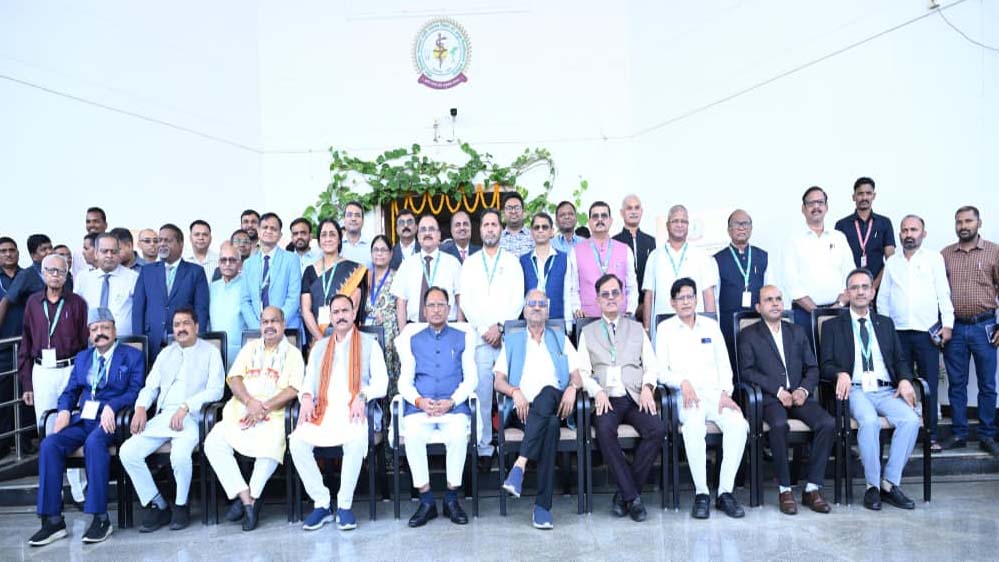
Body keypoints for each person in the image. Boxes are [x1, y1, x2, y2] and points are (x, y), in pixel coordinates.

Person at [28, 308, 144, 546]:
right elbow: (69, 392)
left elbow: (136, 390)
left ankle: (100, 518)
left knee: (94, 443)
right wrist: (63, 411)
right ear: (89, 334)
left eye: (105, 328)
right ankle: (52, 521)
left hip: (112, 421)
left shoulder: (132, 356)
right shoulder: (82, 358)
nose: (100, 333)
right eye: (95, 329)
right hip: (84, 419)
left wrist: (113, 405)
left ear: (114, 330)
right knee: (49, 444)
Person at [821, 268, 920, 510]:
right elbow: (825, 365)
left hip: (886, 390)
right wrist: (840, 373)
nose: (860, 292)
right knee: (869, 421)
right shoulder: (833, 326)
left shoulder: (885, 324)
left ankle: (889, 483)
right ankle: (872, 486)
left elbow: (900, 360)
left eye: (865, 287)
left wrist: (905, 379)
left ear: (872, 292)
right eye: (854, 288)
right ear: (847, 293)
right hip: (855, 390)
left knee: (910, 419)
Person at [120, 307, 225, 532]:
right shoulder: (166, 354)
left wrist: (186, 406)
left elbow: (216, 390)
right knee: (128, 452)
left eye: (186, 323)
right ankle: (157, 504)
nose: (181, 329)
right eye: (177, 325)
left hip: (193, 417)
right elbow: (150, 387)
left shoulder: (210, 352)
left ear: (196, 326)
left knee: (179, 455)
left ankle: (180, 505)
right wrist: (140, 408)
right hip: (164, 417)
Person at [289, 294, 388, 531]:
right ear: (330, 317)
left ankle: (344, 505)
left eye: (345, 311)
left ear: (354, 314)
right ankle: (322, 503)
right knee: (297, 442)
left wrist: (362, 396)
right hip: (323, 411)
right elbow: (308, 382)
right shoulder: (319, 347)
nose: (341, 316)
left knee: (355, 440)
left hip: (354, 411)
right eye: (336, 312)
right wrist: (305, 397)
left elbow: (382, 383)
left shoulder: (369, 344)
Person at [204, 306, 304, 531]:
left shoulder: (293, 354)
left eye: (274, 321)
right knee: (213, 442)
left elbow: (294, 389)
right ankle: (247, 499)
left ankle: (253, 498)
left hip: (274, 415)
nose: (269, 326)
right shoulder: (249, 349)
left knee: (270, 448)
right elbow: (234, 379)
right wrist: (250, 402)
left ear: (283, 324)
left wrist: (264, 407)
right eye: (265, 322)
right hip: (241, 411)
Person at [738, 285, 834, 514]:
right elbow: (747, 372)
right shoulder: (749, 334)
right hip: (770, 399)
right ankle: (785, 489)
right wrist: (778, 390)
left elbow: (813, 368)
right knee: (779, 425)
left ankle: (812, 488)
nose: (775, 303)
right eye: (769, 300)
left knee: (827, 423)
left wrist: (803, 390)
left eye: (778, 299)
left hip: (799, 396)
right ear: (758, 307)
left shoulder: (797, 331)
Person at [658, 277, 748, 519]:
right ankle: (702, 493)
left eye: (690, 296)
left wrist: (726, 393)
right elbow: (660, 371)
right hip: (685, 397)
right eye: (680, 298)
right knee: (694, 425)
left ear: (696, 299)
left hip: (715, 395)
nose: (686, 302)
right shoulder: (665, 329)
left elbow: (724, 364)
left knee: (739, 424)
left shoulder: (710, 326)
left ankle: (725, 492)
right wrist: (682, 381)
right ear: (672, 303)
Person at [494, 289, 583, 530]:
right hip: (523, 410)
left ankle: (519, 466)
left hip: (556, 403)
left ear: (547, 311)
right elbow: (498, 381)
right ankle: (542, 508)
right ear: (524, 310)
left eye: (541, 304)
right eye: (531, 303)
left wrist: (573, 388)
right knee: (551, 426)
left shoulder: (560, 338)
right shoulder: (512, 341)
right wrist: (514, 391)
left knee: (547, 391)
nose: (536, 307)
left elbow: (577, 376)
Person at [578, 273, 663, 522]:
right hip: (606, 397)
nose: (611, 298)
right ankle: (633, 498)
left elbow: (652, 366)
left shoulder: (636, 328)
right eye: (605, 294)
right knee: (604, 431)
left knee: (656, 429)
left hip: (635, 394)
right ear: (597, 300)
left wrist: (648, 387)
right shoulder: (588, 332)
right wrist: (597, 391)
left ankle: (625, 494)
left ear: (623, 296)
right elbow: (582, 371)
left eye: (615, 292)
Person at [398, 287, 477, 527]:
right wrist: (419, 401)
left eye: (441, 305)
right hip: (421, 408)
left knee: (457, 435)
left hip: (452, 407)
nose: (436, 310)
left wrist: (452, 400)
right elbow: (404, 381)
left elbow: (471, 378)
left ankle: (451, 499)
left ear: (449, 309)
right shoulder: (413, 338)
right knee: (412, 435)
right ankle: (426, 501)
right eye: (431, 305)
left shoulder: (463, 336)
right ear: (424, 310)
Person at [17, 252, 90, 504]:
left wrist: (82, 379)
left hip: (70, 369)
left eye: (61, 271)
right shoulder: (32, 303)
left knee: (72, 425)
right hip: (42, 371)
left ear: (67, 274)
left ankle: (79, 491)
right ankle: (53, 492)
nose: (56, 275)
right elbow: (26, 342)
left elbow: (85, 345)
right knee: (47, 428)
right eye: (51, 270)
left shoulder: (77, 303)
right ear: (42, 273)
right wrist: (26, 383)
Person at [877, 214, 953, 452]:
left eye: (914, 229)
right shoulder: (892, 262)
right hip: (897, 334)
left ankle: (930, 435)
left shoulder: (934, 259)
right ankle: (902, 433)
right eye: (905, 230)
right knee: (898, 384)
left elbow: (943, 293)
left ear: (923, 233)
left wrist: (948, 324)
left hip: (926, 333)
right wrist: (884, 331)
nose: (908, 234)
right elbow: (883, 299)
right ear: (900, 234)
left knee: (929, 385)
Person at [458, 208, 524, 470]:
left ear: (500, 229)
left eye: (494, 224)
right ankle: (485, 448)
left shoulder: (512, 262)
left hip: (507, 338)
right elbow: (466, 301)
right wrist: (485, 328)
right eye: (485, 224)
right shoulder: (470, 263)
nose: (490, 229)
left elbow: (518, 299)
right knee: (483, 394)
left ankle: (509, 448)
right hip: (480, 338)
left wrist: (500, 327)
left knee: (510, 393)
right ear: (480, 230)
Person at [940, 205, 999, 455]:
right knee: (957, 384)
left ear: (979, 223)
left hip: (985, 327)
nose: (963, 226)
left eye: (968, 221)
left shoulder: (994, 252)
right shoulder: (945, 254)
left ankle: (987, 435)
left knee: (987, 384)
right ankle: (959, 433)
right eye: (959, 222)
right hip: (955, 328)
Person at [781, 186, 855, 338]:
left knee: (840, 353)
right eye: (811, 203)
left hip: (839, 311)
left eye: (820, 202)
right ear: (803, 209)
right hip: (804, 314)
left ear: (826, 207)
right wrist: (817, 313)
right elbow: (791, 282)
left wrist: (838, 305)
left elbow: (851, 276)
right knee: (808, 353)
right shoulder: (793, 240)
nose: (816, 207)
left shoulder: (839, 237)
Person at [132, 224, 210, 358]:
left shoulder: (196, 272)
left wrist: (197, 341)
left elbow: (201, 310)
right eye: (160, 240)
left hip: (184, 343)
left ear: (181, 244)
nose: (162, 244)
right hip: (152, 343)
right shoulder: (147, 271)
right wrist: (139, 343)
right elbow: (138, 309)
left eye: (167, 240)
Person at [643, 205, 717, 332]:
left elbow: (708, 294)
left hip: (695, 326)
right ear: (667, 225)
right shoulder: (655, 256)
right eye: (675, 221)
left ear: (688, 225)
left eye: (683, 221)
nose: (679, 225)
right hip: (662, 326)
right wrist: (647, 329)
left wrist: (712, 328)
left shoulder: (701, 255)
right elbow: (649, 296)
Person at [713, 209, 768, 368]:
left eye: (746, 224)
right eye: (737, 224)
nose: (742, 227)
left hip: (757, 321)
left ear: (751, 228)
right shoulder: (717, 259)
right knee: (732, 364)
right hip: (728, 324)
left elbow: (770, 291)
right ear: (729, 230)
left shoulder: (763, 256)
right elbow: (715, 297)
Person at [300, 219, 367, 347]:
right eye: (324, 235)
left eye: (332, 234)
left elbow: (354, 307)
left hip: (345, 340)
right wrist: (322, 341)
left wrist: (338, 340)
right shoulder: (309, 271)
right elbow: (305, 310)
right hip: (316, 340)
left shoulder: (354, 270)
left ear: (339, 239)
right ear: (319, 241)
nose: (328, 239)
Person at [393, 215, 463, 328]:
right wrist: (403, 334)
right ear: (418, 236)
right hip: (415, 329)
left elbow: (461, 300)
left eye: (431, 229)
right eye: (423, 230)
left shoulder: (453, 263)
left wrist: (458, 330)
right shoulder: (407, 265)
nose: (427, 233)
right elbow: (401, 303)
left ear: (439, 235)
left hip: (448, 328)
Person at [574, 202, 638, 318]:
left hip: (620, 317)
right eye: (595, 216)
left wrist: (630, 311)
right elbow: (573, 288)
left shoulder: (625, 249)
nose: (600, 220)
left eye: (604, 216)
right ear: (589, 222)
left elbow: (632, 286)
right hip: (588, 318)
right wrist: (576, 309)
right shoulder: (576, 251)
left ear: (610, 221)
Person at [240, 212, 303, 332]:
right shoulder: (248, 264)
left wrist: (276, 324)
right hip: (257, 329)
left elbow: (293, 298)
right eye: (265, 227)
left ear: (280, 235)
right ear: (258, 231)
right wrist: (258, 326)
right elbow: (245, 301)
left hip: (287, 328)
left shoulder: (291, 259)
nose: (268, 231)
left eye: (273, 229)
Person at [364, 235, 401, 431]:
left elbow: (401, 308)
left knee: (390, 385)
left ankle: (392, 437)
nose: (379, 254)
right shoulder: (365, 277)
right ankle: (374, 433)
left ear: (391, 254)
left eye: (383, 250)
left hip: (390, 338)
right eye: (376, 250)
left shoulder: (397, 276)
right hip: (369, 338)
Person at [834, 177, 895, 291]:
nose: (864, 197)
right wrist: (850, 288)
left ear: (874, 196)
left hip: (878, 288)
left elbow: (891, 260)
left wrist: (874, 286)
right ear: (854, 197)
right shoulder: (841, 225)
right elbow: (837, 260)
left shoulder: (884, 223)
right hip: (850, 289)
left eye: (868, 193)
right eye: (860, 194)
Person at [520, 212, 578, 330]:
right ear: (531, 232)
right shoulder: (523, 260)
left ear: (552, 232)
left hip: (556, 322)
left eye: (544, 227)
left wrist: (568, 325)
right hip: (529, 323)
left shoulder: (563, 258)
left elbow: (568, 292)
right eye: (537, 227)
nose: (540, 230)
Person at [0, 234, 67, 333]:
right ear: (33, 256)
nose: (49, 252)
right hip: (25, 335)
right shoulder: (27, 275)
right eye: (43, 249)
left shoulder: (61, 273)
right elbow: (5, 302)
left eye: (50, 248)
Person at [74, 233, 138, 336]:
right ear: (96, 253)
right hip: (90, 340)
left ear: (119, 253)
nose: (109, 255)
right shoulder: (83, 278)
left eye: (114, 252)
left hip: (123, 340)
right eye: (104, 251)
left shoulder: (133, 278)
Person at [613, 195, 656, 322]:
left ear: (641, 211)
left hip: (647, 306)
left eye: (637, 208)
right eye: (629, 208)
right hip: (622, 307)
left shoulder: (650, 241)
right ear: (622, 212)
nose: (633, 212)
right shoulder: (614, 242)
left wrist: (645, 303)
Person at [210, 242, 247, 363]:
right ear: (218, 263)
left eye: (232, 260)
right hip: (215, 351)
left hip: (241, 353)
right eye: (223, 260)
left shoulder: (248, 286)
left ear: (240, 264)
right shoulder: (212, 288)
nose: (227, 264)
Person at [72, 207, 107, 277]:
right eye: (88, 222)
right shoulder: (79, 254)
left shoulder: (114, 249)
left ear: (105, 225)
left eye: (96, 221)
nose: (91, 225)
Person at [498, 192, 533, 257]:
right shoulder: (497, 239)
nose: (513, 211)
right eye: (509, 208)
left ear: (523, 211)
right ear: (504, 212)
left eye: (517, 208)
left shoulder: (533, 237)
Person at [340, 200, 372, 267]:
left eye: (357, 215)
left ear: (363, 221)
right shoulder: (336, 245)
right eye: (349, 215)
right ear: (344, 220)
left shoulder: (371, 247)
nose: (353, 219)